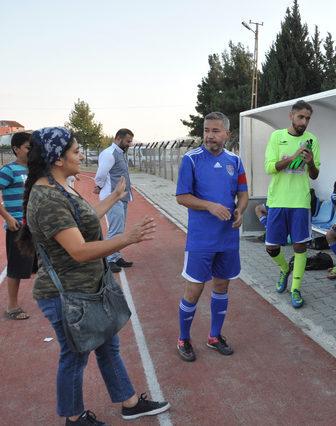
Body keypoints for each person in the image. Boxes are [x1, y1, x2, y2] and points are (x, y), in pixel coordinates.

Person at [20, 127, 169, 424]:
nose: (82, 156)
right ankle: (74, 419)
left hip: (88, 288)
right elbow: (79, 250)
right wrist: (128, 239)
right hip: (68, 295)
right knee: (75, 357)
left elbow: (84, 221)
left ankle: (128, 402)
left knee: (108, 346)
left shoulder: (60, 186)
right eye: (76, 151)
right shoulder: (47, 197)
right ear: (57, 159)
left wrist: (113, 197)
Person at [175, 112, 248, 361]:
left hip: (227, 238)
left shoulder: (235, 162)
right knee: (194, 289)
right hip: (201, 239)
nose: (209, 136)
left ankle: (214, 337)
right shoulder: (191, 160)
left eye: (216, 131)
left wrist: (240, 210)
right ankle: (183, 338)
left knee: (221, 286)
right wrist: (209, 206)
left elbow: (243, 193)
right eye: (206, 130)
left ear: (227, 134)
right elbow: (181, 197)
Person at [264, 100, 320, 308]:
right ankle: (284, 269)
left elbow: (314, 175)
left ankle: (295, 289)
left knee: (300, 245)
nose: (304, 122)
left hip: (300, 201)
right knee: (271, 247)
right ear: (291, 116)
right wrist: (294, 156)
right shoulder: (277, 137)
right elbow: (270, 167)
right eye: (301, 117)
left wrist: (310, 162)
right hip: (278, 200)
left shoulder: (312, 140)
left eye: (307, 119)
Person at [0, 132, 36, 320]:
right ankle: (12, 307)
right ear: (16, 149)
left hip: (34, 226)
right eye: (28, 148)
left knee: (38, 263)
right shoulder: (9, 170)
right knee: (16, 267)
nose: (31, 151)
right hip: (17, 228)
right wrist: (7, 217)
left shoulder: (34, 169)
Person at [94, 129, 134, 273]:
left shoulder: (121, 153)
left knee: (120, 229)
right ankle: (109, 259)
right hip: (112, 198)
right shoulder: (109, 154)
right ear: (118, 138)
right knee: (115, 229)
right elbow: (100, 175)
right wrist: (99, 186)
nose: (130, 144)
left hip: (122, 198)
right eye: (128, 141)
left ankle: (116, 257)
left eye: (131, 141)